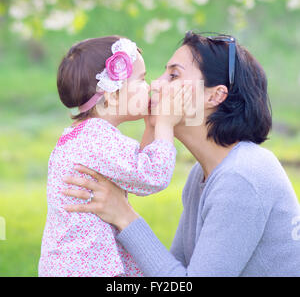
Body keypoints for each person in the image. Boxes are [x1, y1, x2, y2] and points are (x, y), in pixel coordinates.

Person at [64, 31, 300, 277]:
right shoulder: (203, 174)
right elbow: (175, 271)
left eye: (173, 75)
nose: (155, 84)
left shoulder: (242, 176)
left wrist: (124, 215)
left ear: (215, 95)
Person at [38, 35, 190, 277]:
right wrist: (165, 125)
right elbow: (152, 176)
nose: (149, 86)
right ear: (112, 95)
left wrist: (150, 128)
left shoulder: (81, 136)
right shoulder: (99, 138)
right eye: (140, 80)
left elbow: (136, 175)